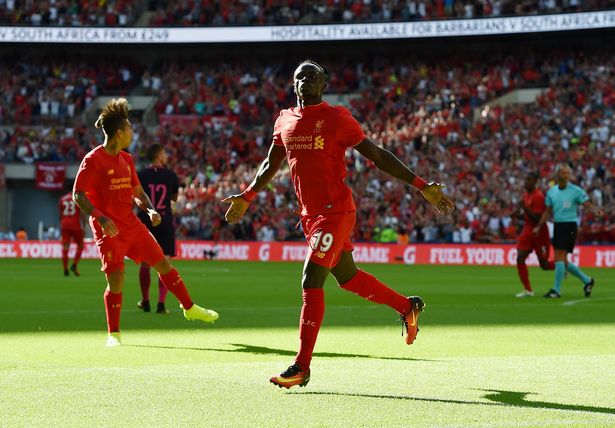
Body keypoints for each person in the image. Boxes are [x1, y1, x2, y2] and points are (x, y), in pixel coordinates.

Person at [223, 60, 454, 389]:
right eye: (300, 76)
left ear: (324, 85)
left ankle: (301, 366)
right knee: (348, 278)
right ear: (293, 85)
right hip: (310, 215)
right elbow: (271, 163)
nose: (306, 80)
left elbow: (377, 154)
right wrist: (247, 195)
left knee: (310, 279)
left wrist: (420, 184)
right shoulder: (284, 120)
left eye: (313, 76)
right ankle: (407, 307)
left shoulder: (337, 118)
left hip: (336, 213)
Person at [73, 98, 218, 347]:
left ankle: (189, 307)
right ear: (119, 133)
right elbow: (78, 194)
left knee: (162, 262)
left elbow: (138, 192)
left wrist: (150, 210)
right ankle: (114, 334)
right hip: (108, 228)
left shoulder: (126, 160)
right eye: (129, 129)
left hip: (131, 225)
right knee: (116, 279)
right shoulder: (93, 159)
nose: (132, 133)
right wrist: (101, 217)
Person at [533, 164, 603, 298]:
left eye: (567, 173)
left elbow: (586, 204)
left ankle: (556, 290)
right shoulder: (552, 192)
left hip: (570, 225)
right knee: (563, 260)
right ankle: (587, 281)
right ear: (557, 175)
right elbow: (547, 212)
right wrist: (538, 226)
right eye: (563, 173)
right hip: (558, 226)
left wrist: (595, 211)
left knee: (559, 254)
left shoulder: (575, 190)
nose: (565, 175)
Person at [136, 143, 179, 314]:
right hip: (165, 221)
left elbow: (137, 197)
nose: (166, 156)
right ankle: (161, 304)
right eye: (164, 153)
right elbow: (174, 198)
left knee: (145, 263)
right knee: (166, 263)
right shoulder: (170, 175)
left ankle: (145, 301)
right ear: (158, 155)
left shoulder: (142, 175)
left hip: (147, 221)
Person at [515, 172, 555, 297]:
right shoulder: (527, 195)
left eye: (529, 180)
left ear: (535, 181)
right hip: (528, 230)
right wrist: (517, 213)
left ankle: (562, 266)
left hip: (539, 232)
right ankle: (528, 290)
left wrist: (524, 208)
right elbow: (528, 215)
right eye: (525, 179)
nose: (526, 182)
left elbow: (537, 218)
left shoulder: (538, 196)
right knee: (520, 258)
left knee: (544, 265)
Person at [59, 189, 86, 276]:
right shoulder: (77, 197)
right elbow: (82, 213)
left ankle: (65, 269)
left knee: (65, 247)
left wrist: (62, 224)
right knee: (80, 246)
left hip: (64, 224)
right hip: (75, 225)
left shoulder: (62, 199)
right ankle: (74, 265)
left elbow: (60, 213)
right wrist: (84, 226)